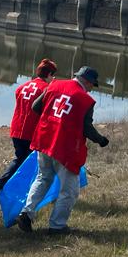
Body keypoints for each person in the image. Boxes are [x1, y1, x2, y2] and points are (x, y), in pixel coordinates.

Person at [16, 66, 109, 235]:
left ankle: (26, 213)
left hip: (44, 139)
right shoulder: (85, 100)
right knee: (70, 190)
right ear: (86, 80)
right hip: (65, 148)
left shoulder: (54, 85)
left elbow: (36, 107)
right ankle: (57, 226)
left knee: (43, 178)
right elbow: (87, 128)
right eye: (92, 85)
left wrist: (52, 117)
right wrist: (101, 140)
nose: (91, 89)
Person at [0, 58, 58, 204]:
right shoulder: (45, 90)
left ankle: (1, 187)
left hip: (16, 129)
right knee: (30, 164)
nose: (54, 79)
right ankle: (11, 192)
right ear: (49, 74)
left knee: (20, 159)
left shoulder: (22, 87)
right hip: (30, 131)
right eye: (53, 75)